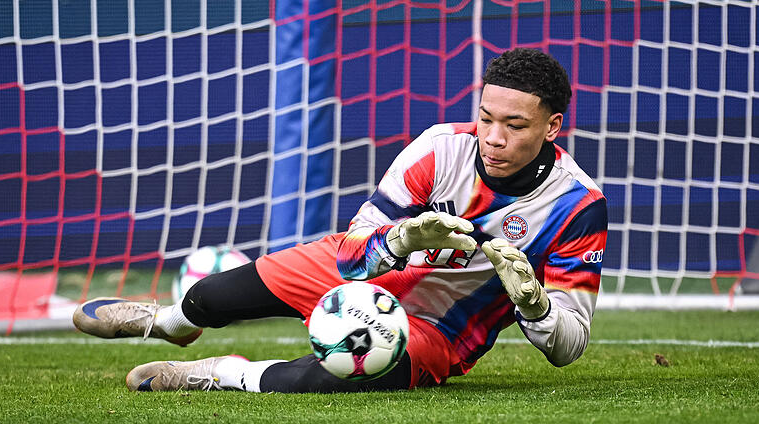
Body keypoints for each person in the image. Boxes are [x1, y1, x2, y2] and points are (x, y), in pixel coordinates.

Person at [73, 48, 608, 393]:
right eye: (486, 118)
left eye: (514, 126)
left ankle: (217, 373)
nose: (493, 137)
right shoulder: (438, 150)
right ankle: (168, 323)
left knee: (352, 375)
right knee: (211, 298)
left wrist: (534, 304)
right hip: (365, 272)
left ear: (552, 126)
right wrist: (400, 239)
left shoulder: (578, 206)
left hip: (433, 327)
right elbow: (353, 253)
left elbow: (569, 346)